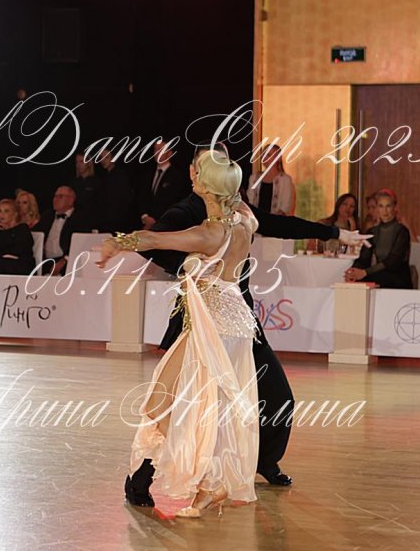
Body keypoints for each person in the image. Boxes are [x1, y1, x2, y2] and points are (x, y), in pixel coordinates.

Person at [122, 144, 371, 507]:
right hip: (200, 322)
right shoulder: (186, 211)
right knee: (176, 404)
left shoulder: (238, 210)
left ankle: (263, 462)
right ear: (196, 172)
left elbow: (280, 224)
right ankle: (140, 479)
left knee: (278, 396)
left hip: (239, 321)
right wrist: (188, 264)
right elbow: (150, 244)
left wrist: (335, 233)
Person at [98, 149, 260, 518]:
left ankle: (209, 478)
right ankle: (205, 485)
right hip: (235, 321)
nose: (193, 176)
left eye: (199, 172)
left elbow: (153, 240)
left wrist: (116, 243)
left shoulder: (209, 233)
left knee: (160, 404)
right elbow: (242, 211)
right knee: (206, 407)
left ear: (208, 186)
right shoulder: (244, 221)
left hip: (212, 326)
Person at [344, 189, 412, 288]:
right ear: (377, 208)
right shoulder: (372, 232)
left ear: (394, 207)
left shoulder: (402, 231)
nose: (385, 211)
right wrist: (353, 271)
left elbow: (393, 262)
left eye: (388, 206)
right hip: (379, 275)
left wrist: (365, 272)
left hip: (398, 278)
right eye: (381, 206)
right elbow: (364, 259)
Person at [35, 185, 90, 276]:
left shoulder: (80, 218)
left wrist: (64, 261)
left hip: (66, 261)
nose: (55, 199)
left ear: (71, 200)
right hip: (44, 260)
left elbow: (82, 243)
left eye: (60, 196)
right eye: (55, 196)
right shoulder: (47, 216)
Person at [137, 138, 190, 230]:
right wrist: (145, 216)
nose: (157, 153)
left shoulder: (177, 176)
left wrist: (155, 221)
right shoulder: (147, 173)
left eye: (160, 150)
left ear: (169, 153)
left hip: (166, 226)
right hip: (145, 224)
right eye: (155, 149)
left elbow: (174, 201)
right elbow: (142, 196)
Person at [0, 198, 35, 275]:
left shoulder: (22, 228)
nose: (2, 215)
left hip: (21, 264)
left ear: (15, 214)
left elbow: (21, 248)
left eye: (6, 211)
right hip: (3, 264)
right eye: (0, 211)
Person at [246, 144, 296, 216]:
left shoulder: (285, 180)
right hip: (256, 219)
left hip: (276, 221)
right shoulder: (254, 178)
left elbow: (285, 206)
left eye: (268, 155)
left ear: (278, 158)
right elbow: (250, 201)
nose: (264, 157)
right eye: (263, 154)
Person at [97, 148, 137, 234]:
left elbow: (125, 199)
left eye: (106, 157)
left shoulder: (121, 176)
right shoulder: (104, 177)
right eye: (101, 157)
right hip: (106, 221)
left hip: (118, 222)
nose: (103, 160)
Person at [70, 152, 101, 230]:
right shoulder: (73, 182)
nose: (78, 165)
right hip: (75, 221)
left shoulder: (96, 182)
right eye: (77, 162)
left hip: (92, 221)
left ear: (88, 163)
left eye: (81, 161)